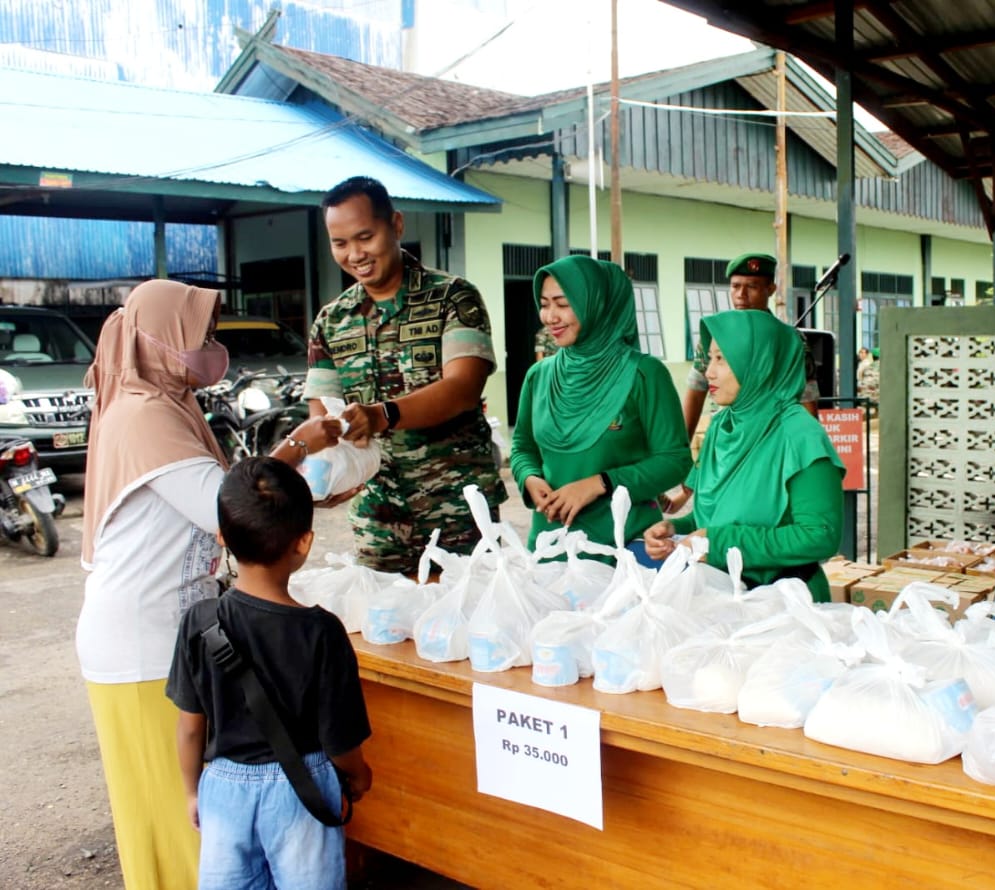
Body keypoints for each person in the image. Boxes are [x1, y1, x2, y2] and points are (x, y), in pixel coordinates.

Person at [76, 279, 342, 890]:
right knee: (173, 816)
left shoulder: (167, 404)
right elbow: (228, 509)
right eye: (200, 337)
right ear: (159, 340)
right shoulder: (145, 416)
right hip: (140, 643)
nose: (212, 347)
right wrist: (299, 448)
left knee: (190, 818)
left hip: (161, 633)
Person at [167, 457, 373, 890]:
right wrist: (357, 774)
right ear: (304, 543)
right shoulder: (322, 631)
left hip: (223, 788)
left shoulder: (199, 622)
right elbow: (340, 740)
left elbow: (189, 729)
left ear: (222, 537)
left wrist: (192, 791)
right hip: (301, 789)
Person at [304, 176, 507, 574]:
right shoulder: (331, 321)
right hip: (378, 519)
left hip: (459, 513)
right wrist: (325, 473)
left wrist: (381, 415)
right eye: (339, 243)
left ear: (396, 225)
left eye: (365, 237)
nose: (354, 254)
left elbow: (463, 387)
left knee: (469, 626)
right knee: (385, 632)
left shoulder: (453, 296)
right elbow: (321, 415)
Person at [644, 310, 845, 601]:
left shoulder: (800, 436)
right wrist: (675, 529)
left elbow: (820, 536)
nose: (709, 372)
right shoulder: (721, 428)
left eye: (722, 359)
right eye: (710, 358)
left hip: (786, 604)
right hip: (722, 598)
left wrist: (719, 542)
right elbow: (712, 519)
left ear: (759, 363)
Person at [509, 254, 691, 551]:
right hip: (551, 547)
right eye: (544, 304)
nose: (550, 317)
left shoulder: (644, 375)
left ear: (596, 305)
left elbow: (675, 460)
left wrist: (600, 483)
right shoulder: (538, 376)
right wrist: (529, 478)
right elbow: (522, 447)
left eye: (563, 304)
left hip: (626, 547)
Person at [680, 252, 819, 439]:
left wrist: (811, 448)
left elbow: (807, 400)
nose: (741, 295)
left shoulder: (790, 341)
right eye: (735, 286)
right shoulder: (717, 336)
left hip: (772, 440)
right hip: (725, 440)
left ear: (771, 289)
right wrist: (680, 449)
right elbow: (696, 391)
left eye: (751, 287)